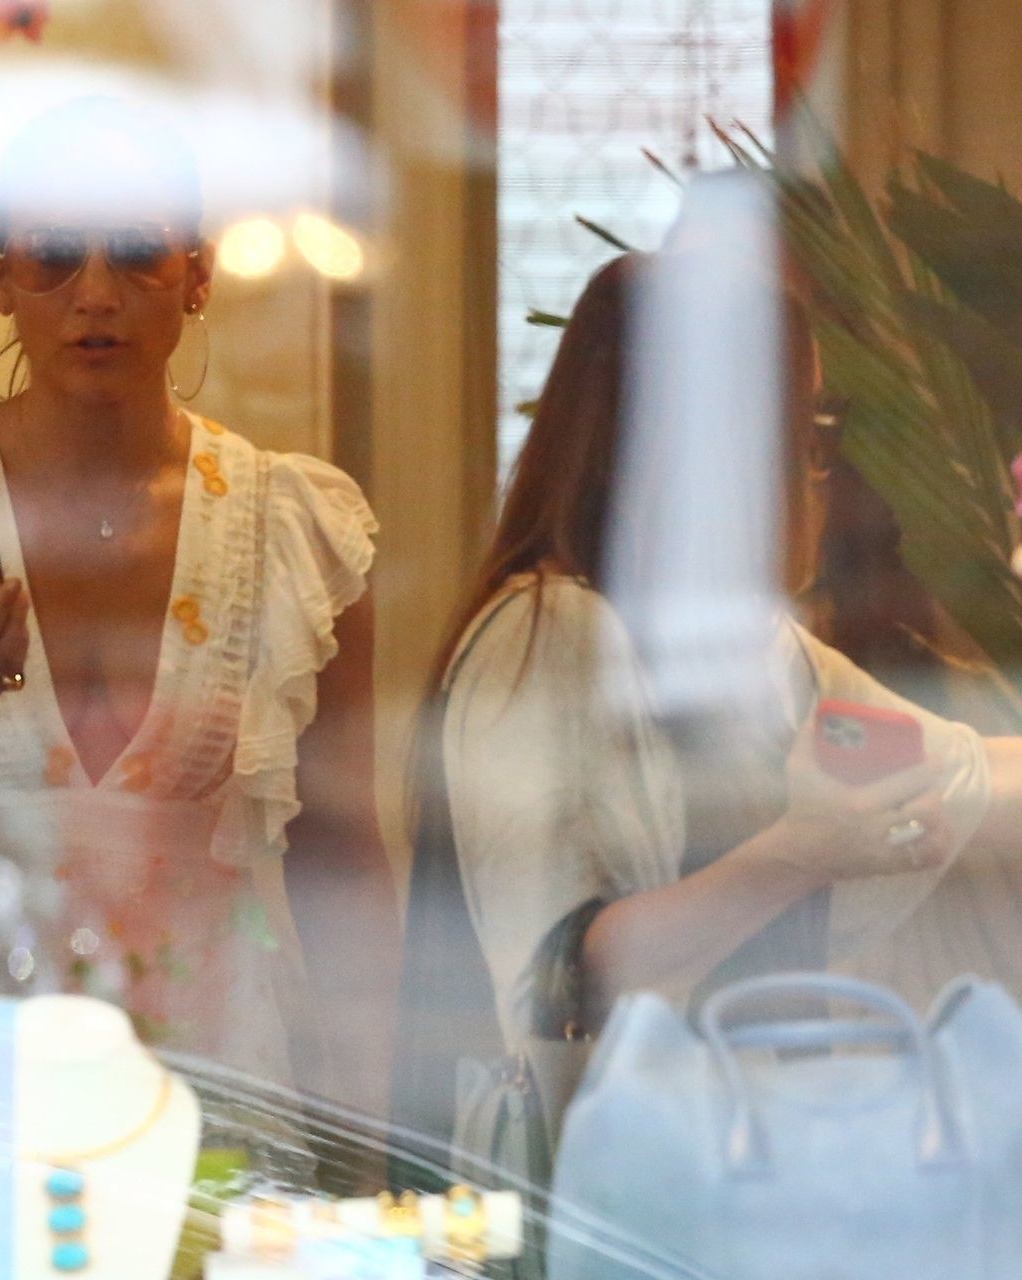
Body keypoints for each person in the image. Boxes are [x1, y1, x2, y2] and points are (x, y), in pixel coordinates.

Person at [0, 98, 400, 1133]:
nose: (97, 295)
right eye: (55, 256)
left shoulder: (293, 523)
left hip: (212, 1094)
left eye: (138, 254)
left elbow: (346, 865)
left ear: (197, 271)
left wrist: (380, 1125)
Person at [391, 251, 1022, 1176]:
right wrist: (802, 853)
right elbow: (564, 976)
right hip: (607, 1184)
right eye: (804, 429)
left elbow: (963, 770)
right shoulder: (548, 632)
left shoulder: (758, 655)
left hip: (732, 1174)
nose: (815, 470)